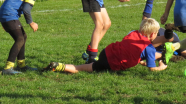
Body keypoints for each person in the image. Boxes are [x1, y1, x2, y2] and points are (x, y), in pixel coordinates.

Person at [43, 18, 171, 74]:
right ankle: (62, 67)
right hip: (112, 63)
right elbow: (152, 69)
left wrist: (140, 61)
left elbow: (129, 50)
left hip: (107, 52)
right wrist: (162, 67)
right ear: (153, 33)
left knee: (85, 67)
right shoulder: (149, 48)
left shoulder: (133, 33)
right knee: (86, 68)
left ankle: (60, 66)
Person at [0, 0, 50, 75]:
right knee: (20, 38)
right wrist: (31, 22)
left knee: (23, 37)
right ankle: (8, 68)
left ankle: (21, 64)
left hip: (6, 14)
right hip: (9, 14)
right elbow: (26, 9)